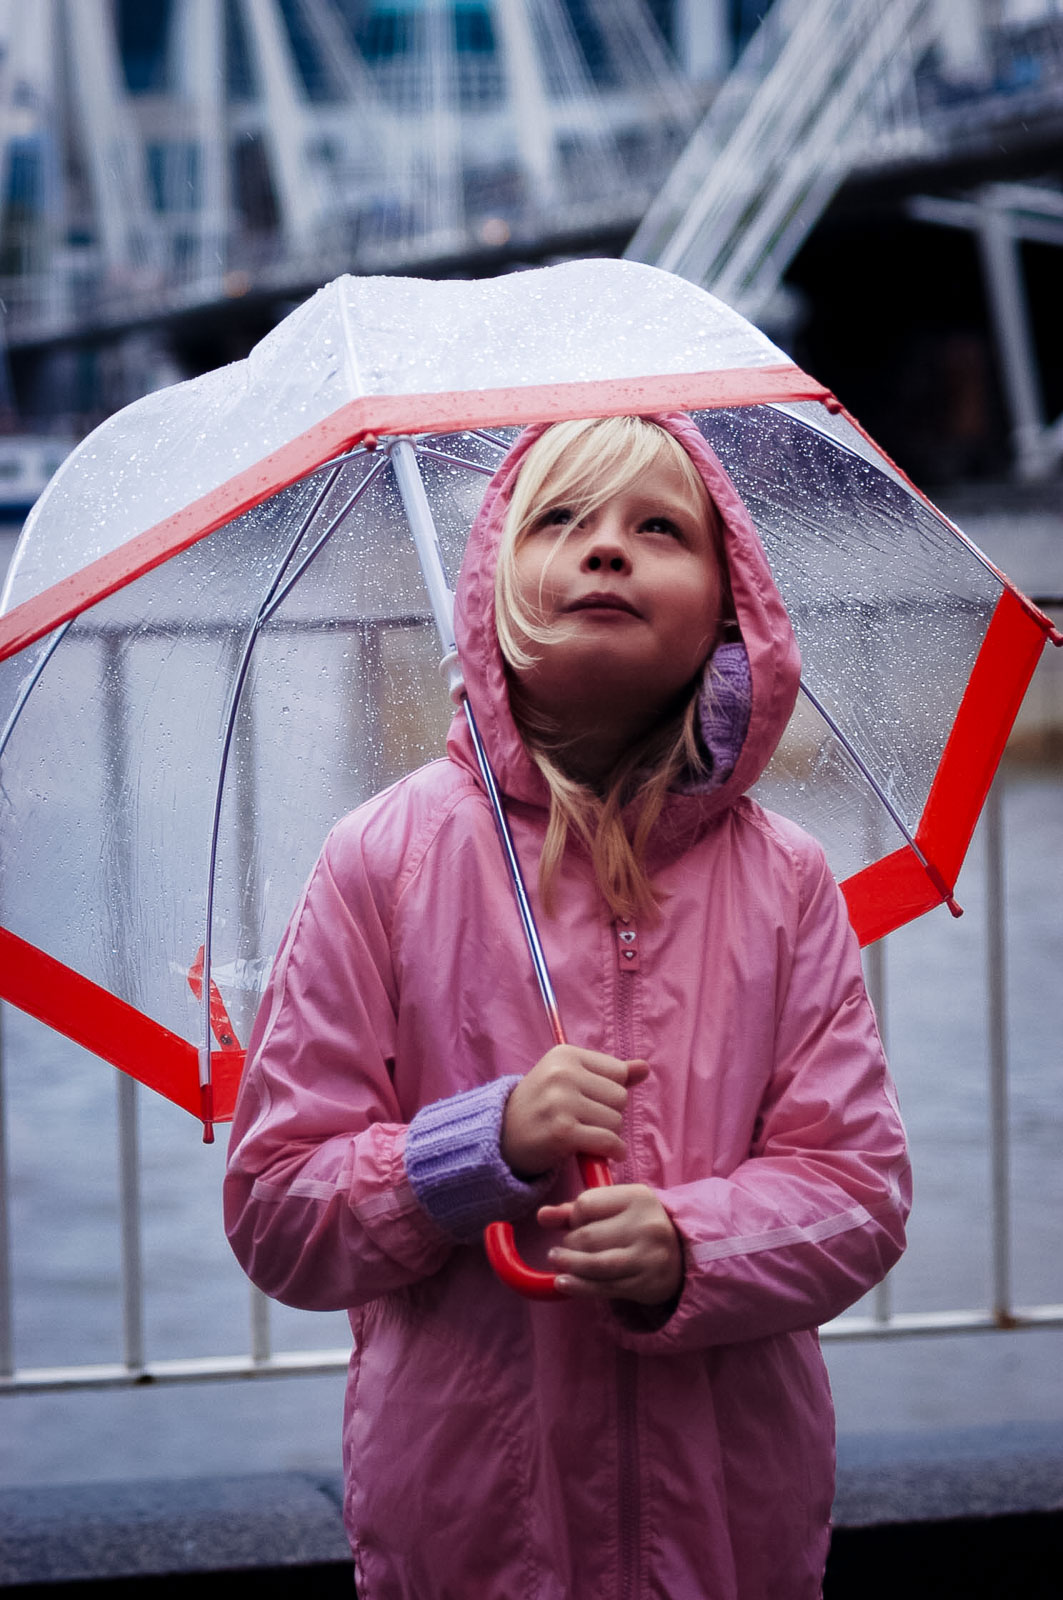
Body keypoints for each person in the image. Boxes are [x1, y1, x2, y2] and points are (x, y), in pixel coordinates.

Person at [224, 413, 911, 1600]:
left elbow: (857, 1191)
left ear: (729, 601)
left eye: (658, 528)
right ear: (493, 586)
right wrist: (474, 1148)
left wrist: (689, 1248)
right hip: (473, 1528)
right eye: (561, 520)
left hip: (729, 1525)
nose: (607, 549)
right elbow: (279, 1207)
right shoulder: (379, 860)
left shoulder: (788, 877)